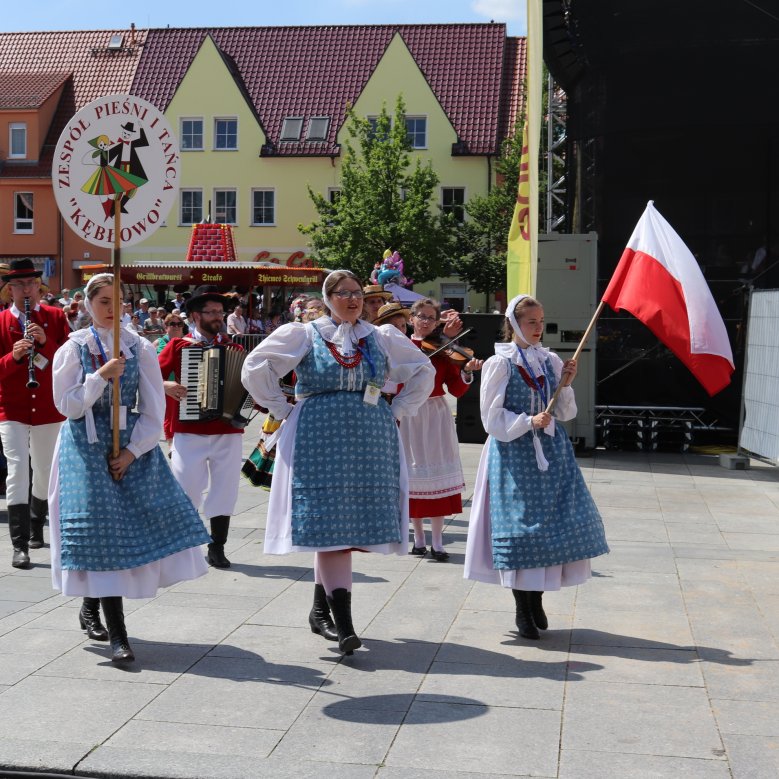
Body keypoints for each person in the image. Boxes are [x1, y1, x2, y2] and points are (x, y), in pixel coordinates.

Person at [242, 270, 434, 654]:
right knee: (330, 526)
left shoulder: (380, 337)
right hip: (318, 438)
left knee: (344, 525)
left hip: (369, 438)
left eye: (357, 294)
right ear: (328, 297)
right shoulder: (305, 334)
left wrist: (398, 406)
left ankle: (320, 611)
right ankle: (344, 625)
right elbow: (254, 366)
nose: (352, 299)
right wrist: (281, 407)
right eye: (343, 293)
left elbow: (422, 371)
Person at [49, 273, 210, 663]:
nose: (110, 309)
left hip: (129, 444)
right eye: (102, 301)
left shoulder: (139, 347)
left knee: (130, 530)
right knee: (99, 531)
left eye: (116, 301)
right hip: (85, 448)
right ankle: (118, 634)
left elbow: (154, 408)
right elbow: (67, 406)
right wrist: (99, 378)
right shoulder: (74, 348)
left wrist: (133, 451)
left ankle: (94, 605)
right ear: (89, 304)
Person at [463, 294, 609, 639]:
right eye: (531, 322)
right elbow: (491, 419)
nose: (538, 328)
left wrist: (566, 385)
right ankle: (522, 608)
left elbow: (566, 413)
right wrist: (529, 420)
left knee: (548, 527)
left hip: (551, 453)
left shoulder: (550, 361)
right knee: (522, 527)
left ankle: (537, 597)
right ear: (514, 324)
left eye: (541, 321)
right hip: (514, 454)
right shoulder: (501, 363)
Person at [158, 285, 244, 569]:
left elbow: (246, 384)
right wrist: (165, 385)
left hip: (227, 430)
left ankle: (216, 547)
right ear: (195, 316)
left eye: (220, 311)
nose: (218, 316)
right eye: (211, 312)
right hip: (188, 430)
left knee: (225, 489)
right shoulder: (179, 346)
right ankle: (183, 546)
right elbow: (148, 378)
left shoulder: (234, 348)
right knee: (187, 488)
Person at [0, 259, 71, 568]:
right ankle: (19, 545)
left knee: (43, 471)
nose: (26, 290)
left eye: (31, 284)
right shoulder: (2, 321)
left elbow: (70, 363)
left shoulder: (56, 317)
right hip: (11, 408)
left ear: (40, 289)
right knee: (17, 469)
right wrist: (12, 357)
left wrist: (46, 343)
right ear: (10, 290)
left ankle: (35, 525)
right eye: (19, 285)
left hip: (47, 408)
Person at [400, 298, 483, 561]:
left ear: (437, 322)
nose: (425, 322)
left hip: (435, 414)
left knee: (436, 475)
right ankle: (419, 539)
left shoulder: (444, 349)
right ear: (411, 318)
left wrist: (467, 372)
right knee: (412, 476)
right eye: (421, 316)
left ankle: (437, 541)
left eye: (430, 318)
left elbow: (456, 389)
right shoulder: (398, 346)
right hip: (408, 413)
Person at [155, 313, 186, 447]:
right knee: (169, 414)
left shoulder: (188, 342)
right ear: (166, 327)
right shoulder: (158, 342)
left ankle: (180, 442)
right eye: (172, 324)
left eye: (179, 324)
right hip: (166, 384)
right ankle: (170, 444)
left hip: (183, 383)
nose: (176, 327)